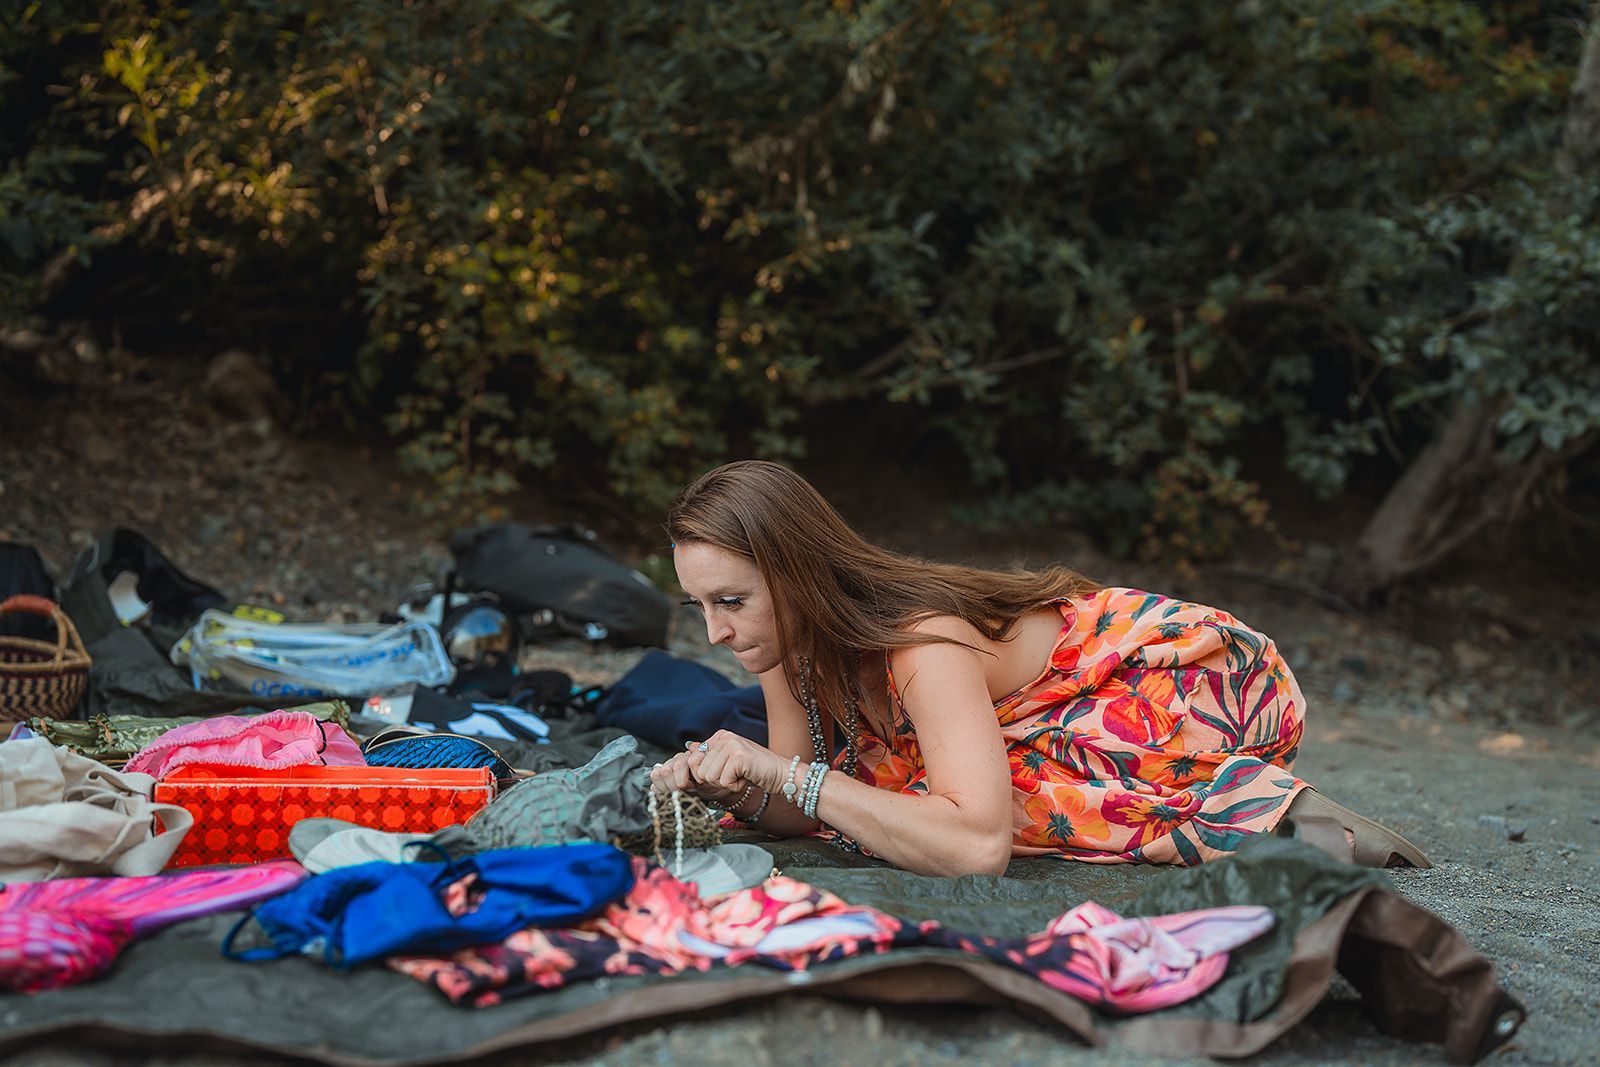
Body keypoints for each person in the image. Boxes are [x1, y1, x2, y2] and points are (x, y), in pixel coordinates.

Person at [649, 460, 1429, 878]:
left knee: (970, 811)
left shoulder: (918, 642)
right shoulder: (786, 644)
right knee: (891, 799)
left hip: (1172, 681)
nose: (716, 632)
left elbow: (977, 849)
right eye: (699, 607)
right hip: (1035, 705)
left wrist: (788, 775)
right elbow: (800, 797)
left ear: (796, 572)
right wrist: (739, 778)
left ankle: (1275, 810)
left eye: (731, 600)